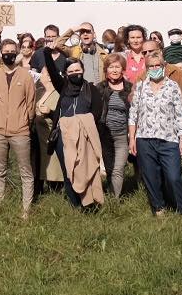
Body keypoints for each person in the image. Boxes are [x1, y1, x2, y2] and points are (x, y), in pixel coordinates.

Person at [128, 40, 182, 216]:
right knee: (151, 177)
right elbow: (133, 114)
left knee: (174, 177)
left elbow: (180, 114)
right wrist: (132, 138)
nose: (155, 68)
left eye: (157, 65)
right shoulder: (141, 86)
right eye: (151, 66)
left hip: (168, 139)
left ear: (163, 65)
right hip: (144, 139)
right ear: (146, 68)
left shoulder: (173, 86)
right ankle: (158, 207)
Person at [0, 36, 37, 217]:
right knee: (0, 170)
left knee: (26, 171)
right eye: (5, 52)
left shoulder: (26, 76)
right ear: (1, 54)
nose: (9, 54)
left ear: (16, 53)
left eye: (12, 52)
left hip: (20, 131)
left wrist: (24, 121)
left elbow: (31, 104)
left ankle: (26, 210)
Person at [53, 58, 107, 209]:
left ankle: (89, 202)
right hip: (63, 136)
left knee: (86, 167)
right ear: (65, 73)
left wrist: (80, 124)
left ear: (83, 71)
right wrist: (47, 51)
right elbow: (51, 71)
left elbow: (97, 111)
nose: (74, 73)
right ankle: (75, 204)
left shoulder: (91, 89)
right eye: (70, 71)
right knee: (69, 170)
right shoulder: (62, 87)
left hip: (85, 134)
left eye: (77, 70)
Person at [97, 54, 136, 197]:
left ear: (123, 69)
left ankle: (115, 200)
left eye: (117, 67)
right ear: (106, 70)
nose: (114, 70)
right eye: (111, 67)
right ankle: (110, 192)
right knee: (109, 168)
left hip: (122, 136)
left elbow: (135, 112)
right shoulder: (100, 88)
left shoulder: (130, 88)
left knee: (118, 168)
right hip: (105, 135)